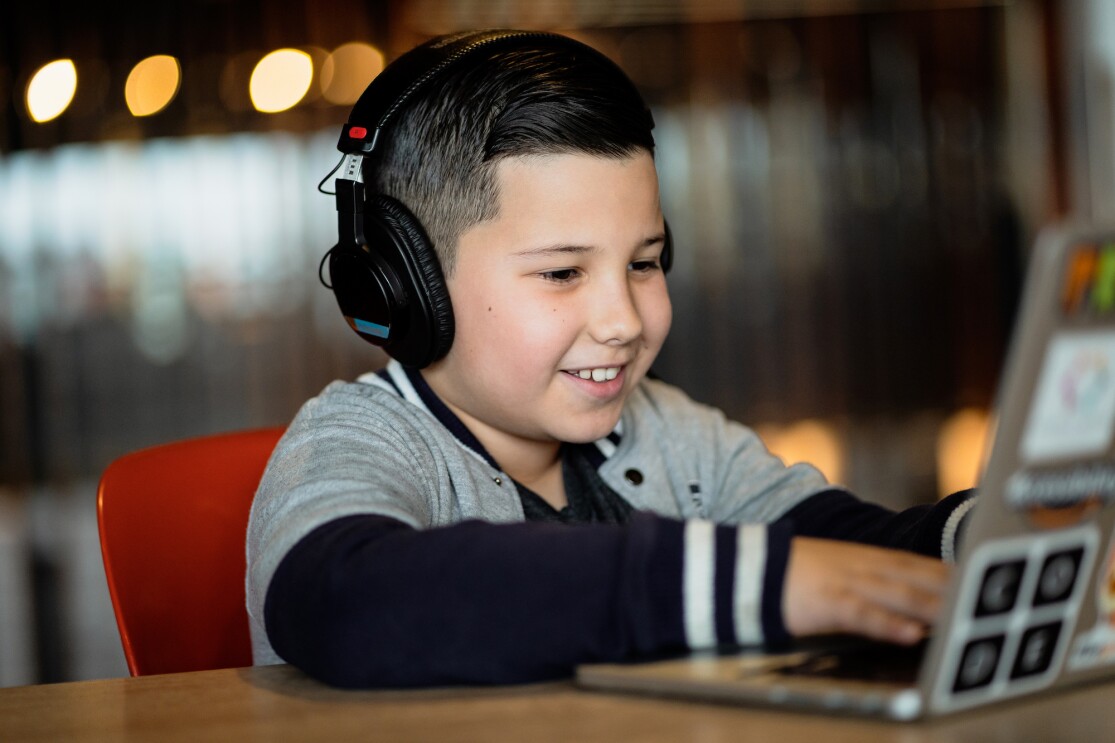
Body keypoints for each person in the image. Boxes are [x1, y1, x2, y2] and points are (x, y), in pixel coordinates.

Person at [246, 29, 976, 689]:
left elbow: (835, 548)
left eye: (645, 262)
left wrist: (983, 536)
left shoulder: (668, 431)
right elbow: (346, 601)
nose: (625, 321)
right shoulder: (355, 441)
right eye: (563, 273)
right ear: (408, 288)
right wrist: (728, 580)